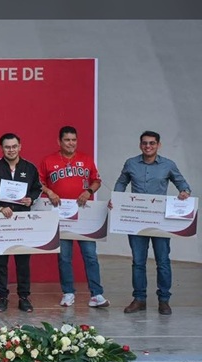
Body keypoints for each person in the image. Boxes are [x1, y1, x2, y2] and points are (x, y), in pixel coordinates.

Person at [113, 130, 192, 316]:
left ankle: (164, 300)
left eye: (152, 143)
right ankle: (139, 299)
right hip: (136, 220)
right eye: (145, 143)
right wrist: (116, 199)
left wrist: (184, 192)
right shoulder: (131, 163)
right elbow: (121, 183)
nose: (148, 146)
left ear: (158, 145)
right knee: (138, 262)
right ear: (140, 145)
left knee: (163, 261)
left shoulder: (168, 165)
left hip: (160, 221)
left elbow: (182, 184)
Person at [39, 126, 109, 309]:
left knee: (90, 255)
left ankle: (96, 294)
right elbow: (39, 182)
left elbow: (97, 180)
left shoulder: (86, 159)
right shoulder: (48, 160)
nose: (71, 143)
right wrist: (49, 192)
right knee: (64, 257)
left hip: (84, 213)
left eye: (74, 140)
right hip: (61, 214)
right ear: (59, 141)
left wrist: (89, 191)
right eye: (67, 140)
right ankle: (68, 292)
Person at [0, 133, 42, 313]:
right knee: (0, 262)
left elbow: (38, 189)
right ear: (2, 148)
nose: (11, 150)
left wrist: (31, 199)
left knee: (23, 261)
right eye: (7, 147)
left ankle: (24, 297)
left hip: (22, 221)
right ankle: (2, 298)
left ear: (20, 146)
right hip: (0, 221)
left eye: (14, 146)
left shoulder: (30, 168)